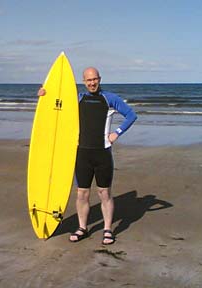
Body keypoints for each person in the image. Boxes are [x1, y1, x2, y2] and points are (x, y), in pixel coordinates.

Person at [38, 67, 137, 245]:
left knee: (104, 193)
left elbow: (131, 115)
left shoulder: (110, 98)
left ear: (99, 79)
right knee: (82, 193)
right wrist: (44, 95)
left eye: (95, 79)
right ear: (83, 82)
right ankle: (82, 227)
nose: (92, 83)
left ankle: (107, 230)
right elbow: (57, 106)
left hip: (103, 153)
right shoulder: (78, 99)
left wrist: (117, 133)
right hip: (82, 153)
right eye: (88, 80)